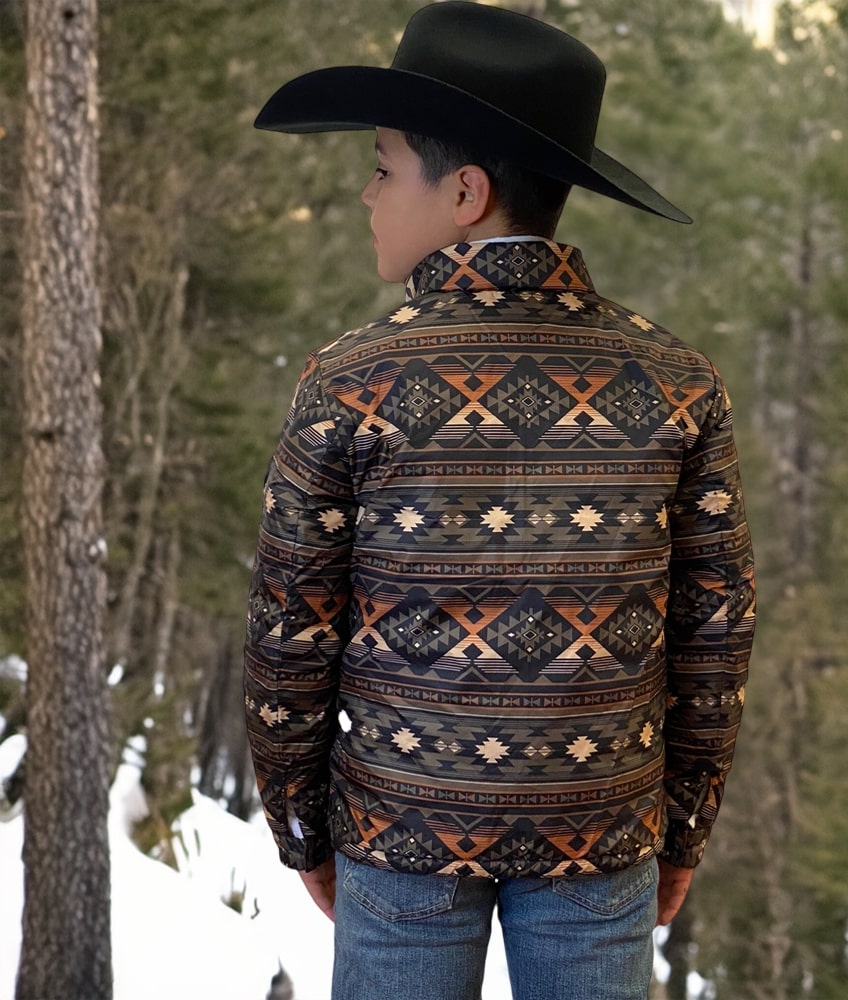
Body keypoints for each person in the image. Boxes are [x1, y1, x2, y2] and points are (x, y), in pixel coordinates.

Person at [244, 4, 755, 999]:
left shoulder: (349, 381)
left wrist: (303, 826)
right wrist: (682, 828)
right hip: (600, 830)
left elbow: (288, 630)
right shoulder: (679, 383)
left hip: (399, 830)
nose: (367, 192)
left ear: (465, 192)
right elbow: (715, 633)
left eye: (384, 167)